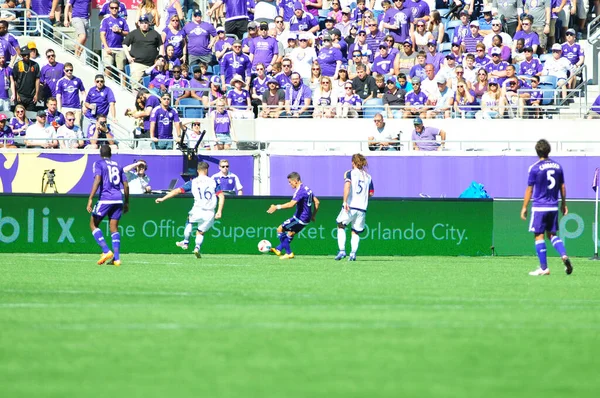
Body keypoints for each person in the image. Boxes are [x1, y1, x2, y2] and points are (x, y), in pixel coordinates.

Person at [520, 139, 573, 276]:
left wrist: (524, 207)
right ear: (548, 150)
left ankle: (544, 268)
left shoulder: (535, 168)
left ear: (537, 152)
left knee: (539, 236)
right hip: (553, 206)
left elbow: (529, 190)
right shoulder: (558, 166)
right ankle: (564, 255)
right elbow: (562, 186)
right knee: (552, 235)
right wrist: (564, 204)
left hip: (539, 207)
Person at [156, 161, 225, 258]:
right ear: (206, 170)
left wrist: (163, 198)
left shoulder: (193, 182)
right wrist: (219, 211)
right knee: (200, 231)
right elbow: (221, 196)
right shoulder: (213, 181)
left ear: (198, 171)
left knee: (189, 220)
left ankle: (185, 242)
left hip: (198, 209)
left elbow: (177, 191)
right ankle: (197, 247)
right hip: (210, 212)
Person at [86, 144, 129, 267]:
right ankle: (116, 259)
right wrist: (126, 202)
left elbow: (98, 179)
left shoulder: (99, 164)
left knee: (93, 224)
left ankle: (106, 251)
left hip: (106, 198)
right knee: (114, 228)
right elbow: (126, 185)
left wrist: (90, 198)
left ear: (100, 153)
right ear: (111, 154)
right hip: (118, 199)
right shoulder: (119, 165)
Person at [267, 171, 320, 260]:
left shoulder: (300, 191)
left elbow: (291, 205)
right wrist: (313, 215)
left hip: (300, 218)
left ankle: (289, 253)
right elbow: (317, 202)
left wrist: (277, 207)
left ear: (295, 181)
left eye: (290, 182)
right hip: (306, 219)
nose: (289, 184)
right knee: (290, 233)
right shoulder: (307, 189)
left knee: (280, 229)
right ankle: (278, 249)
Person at [334, 154, 374, 261]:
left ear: (353, 162)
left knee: (341, 225)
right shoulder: (368, 177)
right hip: (362, 208)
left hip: (351, 205)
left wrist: (345, 202)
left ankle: (342, 251)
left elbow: (347, 186)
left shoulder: (350, 173)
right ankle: (353, 254)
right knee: (355, 231)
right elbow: (371, 193)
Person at [122, 15, 163, 84]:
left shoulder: (155, 33)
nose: (144, 25)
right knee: (135, 84)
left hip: (152, 64)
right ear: (139, 23)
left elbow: (161, 46)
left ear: (149, 23)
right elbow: (124, 44)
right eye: (142, 23)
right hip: (138, 63)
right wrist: (128, 56)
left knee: (153, 85)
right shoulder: (133, 33)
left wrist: (160, 59)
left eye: (146, 23)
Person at [100, 0, 129, 77]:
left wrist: (120, 31)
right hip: (108, 47)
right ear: (109, 8)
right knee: (108, 67)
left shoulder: (122, 20)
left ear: (118, 8)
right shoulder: (105, 20)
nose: (114, 9)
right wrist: (106, 47)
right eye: (112, 8)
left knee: (121, 70)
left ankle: (124, 88)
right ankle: (106, 86)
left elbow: (127, 33)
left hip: (120, 48)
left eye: (116, 8)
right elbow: (102, 35)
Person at [11, 46, 39, 111]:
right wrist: (16, 94)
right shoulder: (17, 65)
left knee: (30, 117)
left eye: (27, 54)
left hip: (31, 96)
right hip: (20, 95)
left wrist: (36, 94)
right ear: (21, 55)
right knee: (19, 115)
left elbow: (37, 80)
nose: (26, 56)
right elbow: (14, 81)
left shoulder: (35, 65)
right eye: (24, 54)